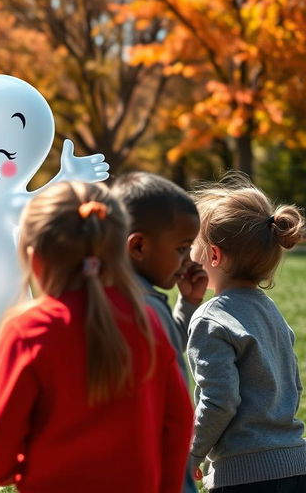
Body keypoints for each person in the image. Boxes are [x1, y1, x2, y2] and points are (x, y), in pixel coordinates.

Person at [0, 181, 194, 493]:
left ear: (34, 258)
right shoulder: (147, 322)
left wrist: (7, 470)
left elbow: (1, 430)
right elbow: (178, 420)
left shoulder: (29, 329)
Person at [187, 175, 306, 492]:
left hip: (244, 476)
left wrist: (191, 454)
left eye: (191, 246)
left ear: (213, 255)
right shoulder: (270, 312)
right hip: (297, 464)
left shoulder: (212, 318)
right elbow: (293, 385)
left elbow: (218, 400)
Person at [112, 171, 208, 493]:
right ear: (138, 246)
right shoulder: (142, 308)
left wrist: (188, 303)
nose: (188, 260)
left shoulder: (111, 297)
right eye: (182, 248)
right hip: (158, 464)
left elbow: (165, 349)